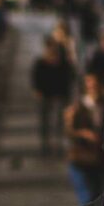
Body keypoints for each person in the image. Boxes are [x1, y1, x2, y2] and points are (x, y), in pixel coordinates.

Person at [31, 23, 77, 153]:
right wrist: (37, 90)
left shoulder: (64, 63)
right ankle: (45, 145)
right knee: (45, 121)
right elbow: (36, 78)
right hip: (45, 95)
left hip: (60, 95)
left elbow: (70, 78)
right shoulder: (40, 63)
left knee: (59, 121)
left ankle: (58, 144)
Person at [63, 79, 104, 206]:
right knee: (87, 198)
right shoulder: (76, 109)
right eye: (90, 87)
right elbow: (68, 132)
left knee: (100, 197)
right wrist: (83, 133)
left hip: (101, 158)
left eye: (96, 87)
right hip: (81, 158)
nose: (94, 90)